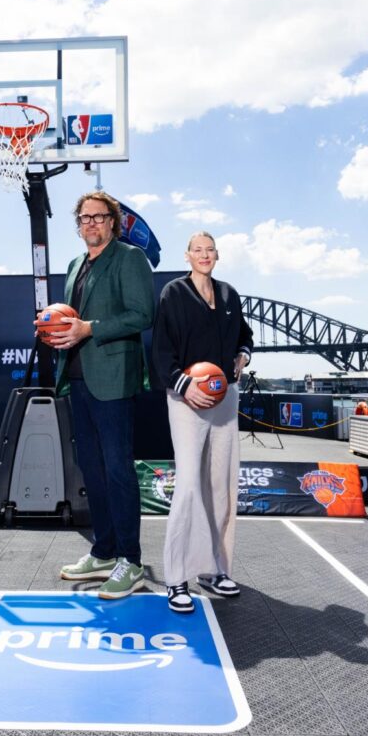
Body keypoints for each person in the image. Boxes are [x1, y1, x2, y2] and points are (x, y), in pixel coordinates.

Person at [46, 191, 155, 600]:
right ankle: (105, 551)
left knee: (118, 471)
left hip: (112, 380)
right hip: (77, 378)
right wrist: (56, 330)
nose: (91, 223)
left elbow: (143, 314)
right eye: (84, 218)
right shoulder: (76, 265)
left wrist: (89, 328)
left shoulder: (129, 259)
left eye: (99, 217)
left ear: (114, 222)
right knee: (92, 470)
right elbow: (71, 319)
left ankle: (132, 560)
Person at [151, 231, 253, 613]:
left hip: (225, 397)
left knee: (221, 487)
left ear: (218, 255)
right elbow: (161, 351)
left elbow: (244, 333)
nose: (204, 255)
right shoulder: (173, 294)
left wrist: (242, 355)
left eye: (210, 250)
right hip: (187, 397)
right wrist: (184, 385)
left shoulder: (229, 294)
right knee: (190, 486)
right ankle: (176, 578)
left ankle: (213, 569)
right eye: (198, 249)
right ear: (188, 255)